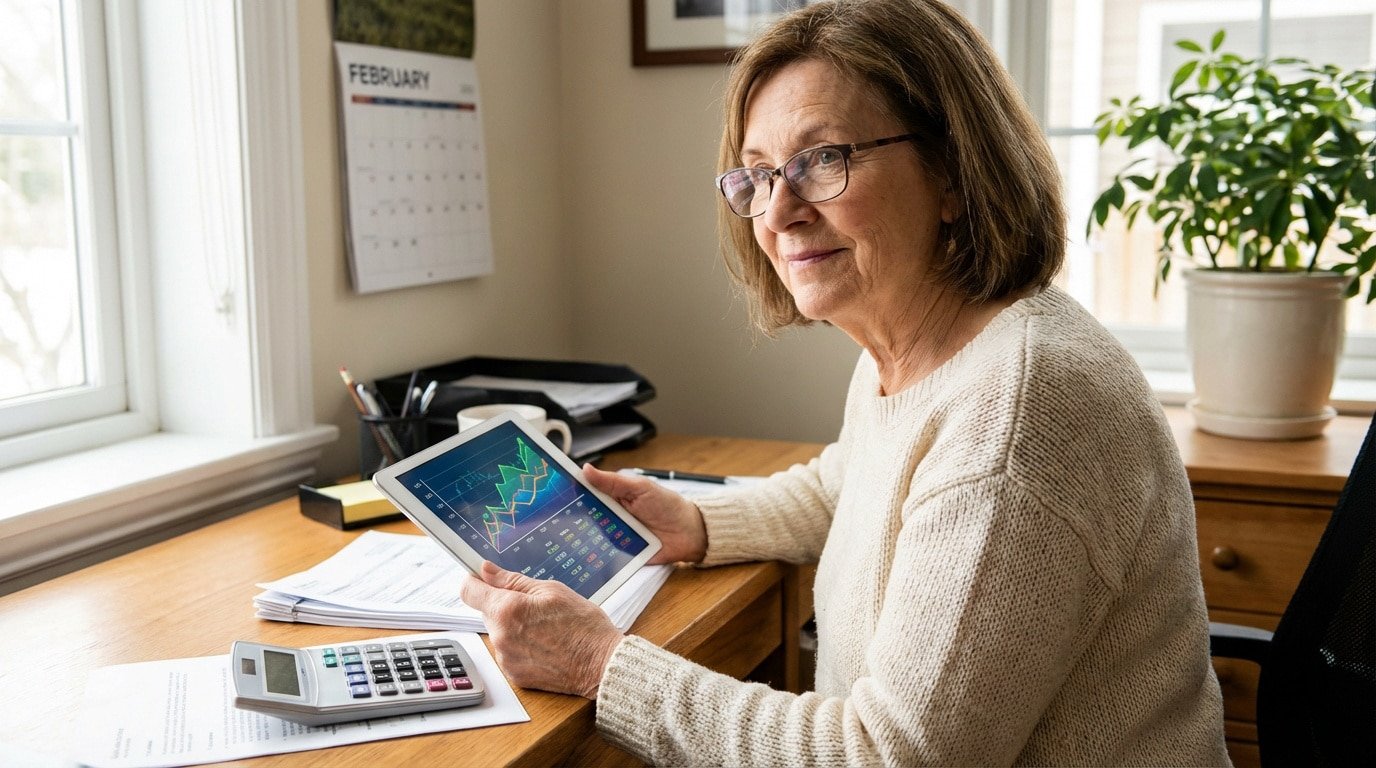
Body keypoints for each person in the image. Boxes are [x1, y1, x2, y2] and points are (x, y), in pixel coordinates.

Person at [459, 0, 1231, 764]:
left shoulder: (1019, 414)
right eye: (759, 175)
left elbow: (889, 757)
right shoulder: (917, 346)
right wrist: (696, 524)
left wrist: (601, 663)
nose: (779, 212)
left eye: (823, 160)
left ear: (953, 172)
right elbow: (853, 485)